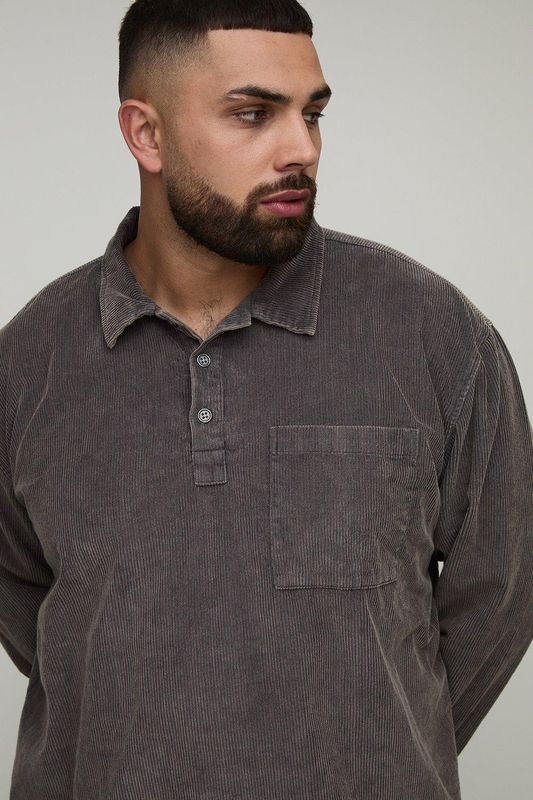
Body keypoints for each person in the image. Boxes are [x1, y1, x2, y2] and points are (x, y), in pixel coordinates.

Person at [0, 1, 531, 798]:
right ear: (146, 134)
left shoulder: (433, 334)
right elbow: (29, 609)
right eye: (253, 114)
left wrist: (377, 744)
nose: (301, 149)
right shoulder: (29, 360)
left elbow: (503, 590)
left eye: (311, 114)